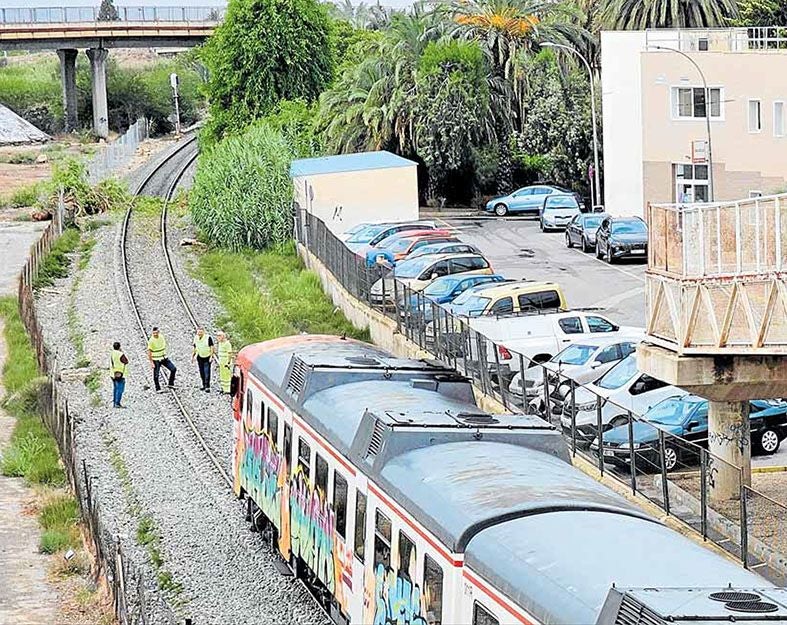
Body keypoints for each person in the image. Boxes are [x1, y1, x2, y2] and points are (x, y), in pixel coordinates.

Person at [147, 326, 177, 393]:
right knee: (156, 374)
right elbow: (149, 352)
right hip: (156, 359)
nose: (155, 334)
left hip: (163, 357)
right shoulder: (151, 341)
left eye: (156, 333)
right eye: (153, 333)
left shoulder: (161, 337)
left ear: (158, 332)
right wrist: (151, 362)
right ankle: (157, 388)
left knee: (173, 369)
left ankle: (170, 383)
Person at [192, 327, 215, 392]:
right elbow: (195, 347)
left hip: (207, 357)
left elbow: (212, 347)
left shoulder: (208, 338)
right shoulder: (196, 338)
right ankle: (203, 385)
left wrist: (211, 356)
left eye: (201, 332)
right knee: (201, 372)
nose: (199, 333)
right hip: (200, 357)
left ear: (203, 332)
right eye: (198, 332)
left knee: (207, 372)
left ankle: (207, 386)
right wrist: (193, 356)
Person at [110, 341, 129, 408]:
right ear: (119, 347)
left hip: (113, 373)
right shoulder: (120, 354)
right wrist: (121, 351)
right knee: (120, 389)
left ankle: (115, 402)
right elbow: (126, 361)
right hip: (120, 374)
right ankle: (117, 403)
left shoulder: (112, 353)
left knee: (115, 388)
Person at [216, 330, 234, 394]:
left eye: (219, 336)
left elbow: (229, 353)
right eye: (217, 336)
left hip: (226, 362)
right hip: (221, 362)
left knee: (227, 375)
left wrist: (228, 362)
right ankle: (223, 388)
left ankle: (228, 389)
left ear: (223, 336)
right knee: (222, 375)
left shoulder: (227, 344)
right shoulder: (220, 343)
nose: (218, 337)